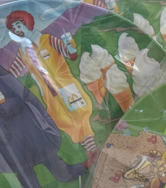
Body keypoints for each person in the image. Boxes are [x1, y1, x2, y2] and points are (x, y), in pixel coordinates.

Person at [6, 9, 97, 153]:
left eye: (19, 25)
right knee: (61, 119)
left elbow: (70, 54)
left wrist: (69, 44)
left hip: (66, 86)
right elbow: (12, 72)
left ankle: (93, 149)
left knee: (80, 113)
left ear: (27, 23)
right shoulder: (23, 51)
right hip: (48, 93)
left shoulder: (47, 39)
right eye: (14, 28)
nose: (17, 30)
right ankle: (90, 151)